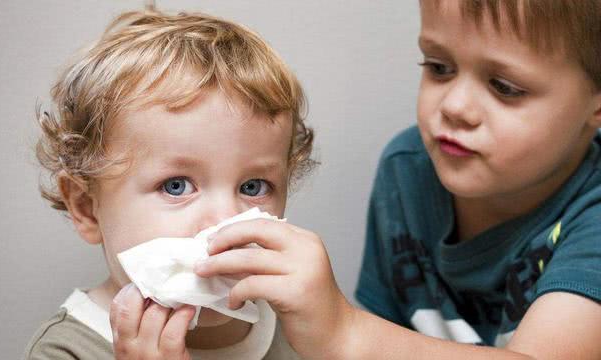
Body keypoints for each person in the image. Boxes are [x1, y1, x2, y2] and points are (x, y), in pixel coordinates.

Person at [195, 1, 601, 358]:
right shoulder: (408, 170)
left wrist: (344, 331)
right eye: (439, 68)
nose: (455, 107)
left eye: (504, 87)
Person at [24, 8, 314, 360]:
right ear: (87, 209)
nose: (223, 222)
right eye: (176, 186)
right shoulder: (67, 350)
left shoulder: (300, 326)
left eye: (253, 187)